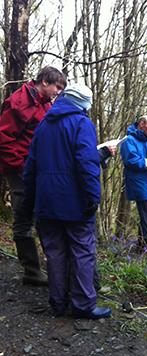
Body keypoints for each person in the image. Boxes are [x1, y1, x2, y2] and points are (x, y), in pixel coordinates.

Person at [23, 83, 111, 320]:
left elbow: (30, 165)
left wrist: (30, 199)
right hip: (74, 201)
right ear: (83, 102)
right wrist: (93, 195)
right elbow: (87, 162)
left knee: (55, 252)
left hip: (46, 202)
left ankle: (58, 302)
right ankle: (83, 304)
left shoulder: (43, 125)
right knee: (82, 250)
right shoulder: (81, 123)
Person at [0, 66, 67, 285]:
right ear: (44, 82)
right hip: (20, 170)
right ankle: (31, 271)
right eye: (57, 86)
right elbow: (4, 138)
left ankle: (50, 265)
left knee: (42, 215)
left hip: (37, 170)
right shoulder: (19, 102)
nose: (58, 92)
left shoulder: (45, 103)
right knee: (23, 216)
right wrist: (20, 166)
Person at [120, 115, 147, 249]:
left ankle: (142, 245)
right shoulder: (129, 141)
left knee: (146, 214)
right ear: (141, 124)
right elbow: (131, 160)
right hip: (139, 182)